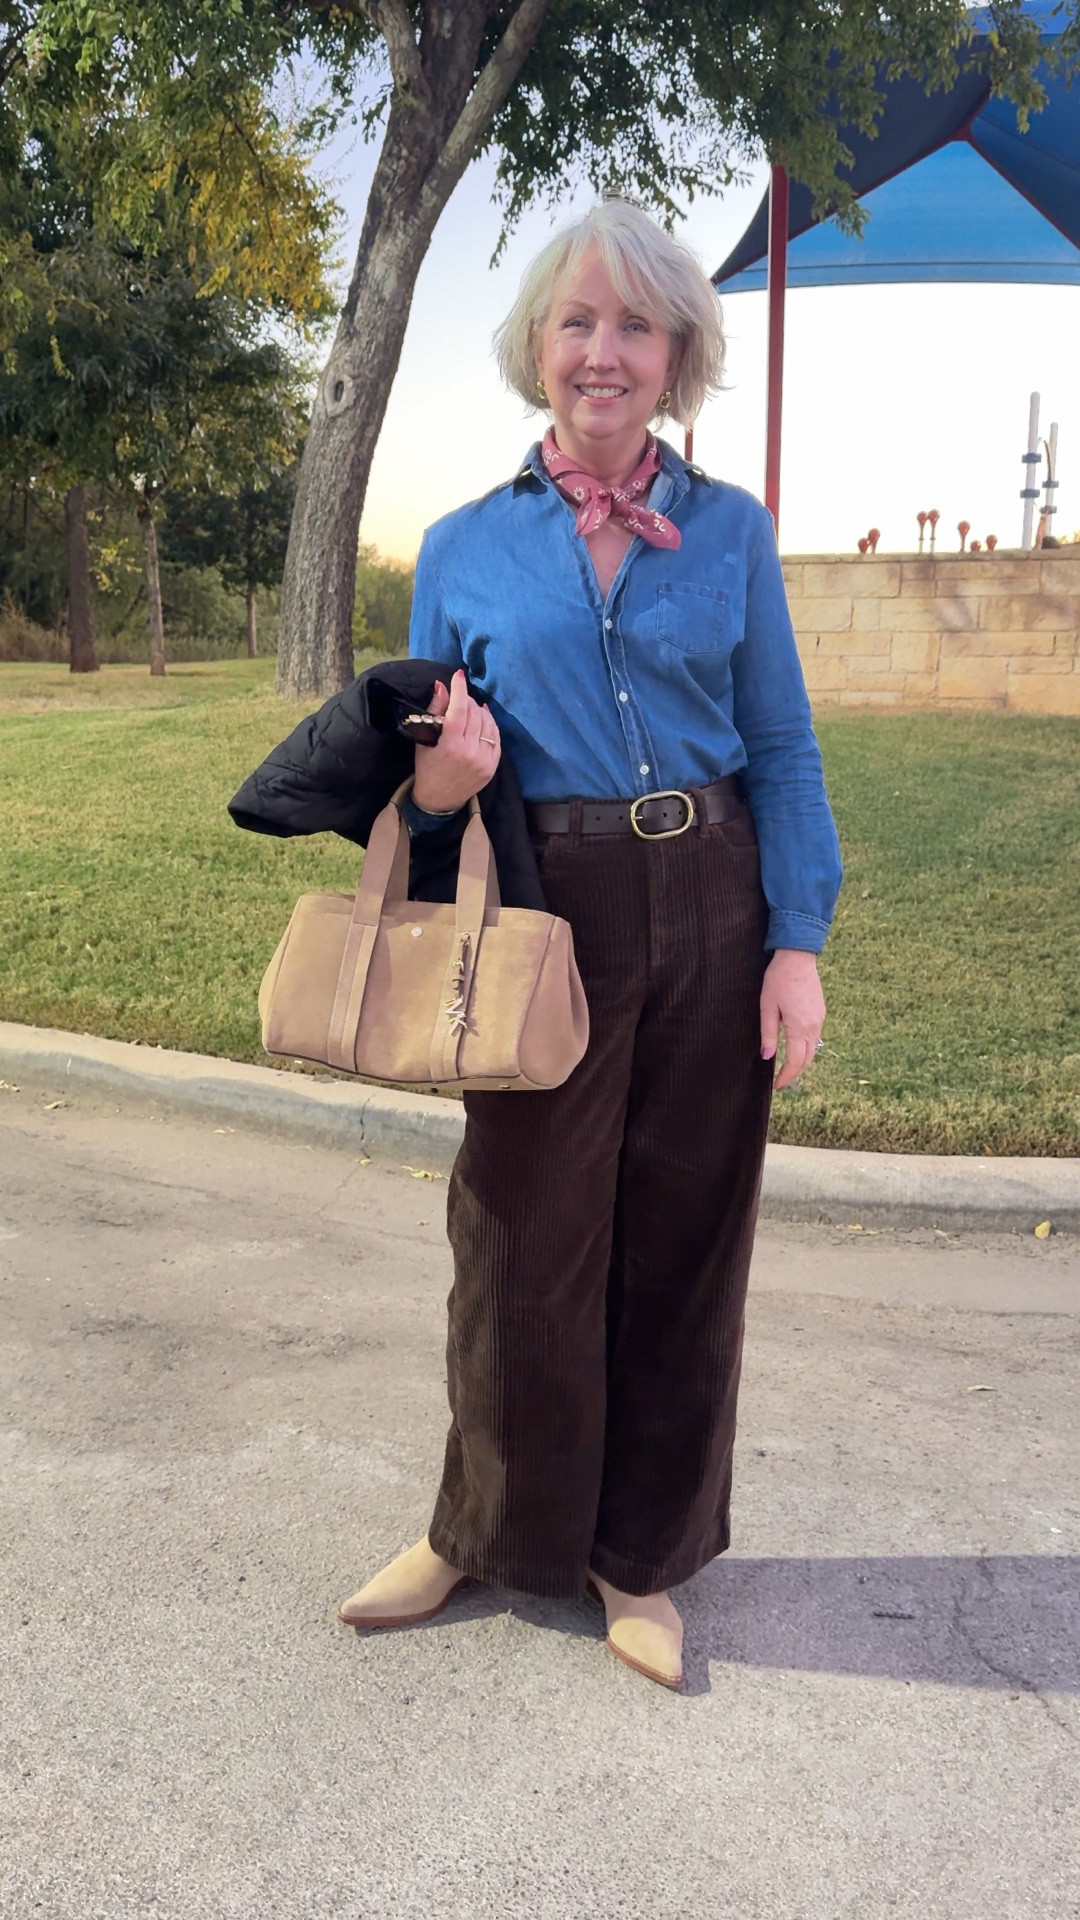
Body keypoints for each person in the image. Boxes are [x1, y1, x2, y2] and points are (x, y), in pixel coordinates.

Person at [337, 198, 843, 1689]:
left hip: (715, 899)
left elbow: (784, 747)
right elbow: (428, 780)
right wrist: (440, 787)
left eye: (635, 324)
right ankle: (481, 1531)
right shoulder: (460, 548)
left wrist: (793, 942)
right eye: (578, 321)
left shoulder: (733, 532)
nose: (603, 352)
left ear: (677, 350)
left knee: (686, 1243)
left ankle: (641, 1557)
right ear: (537, 348)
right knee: (515, 1238)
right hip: (547, 912)